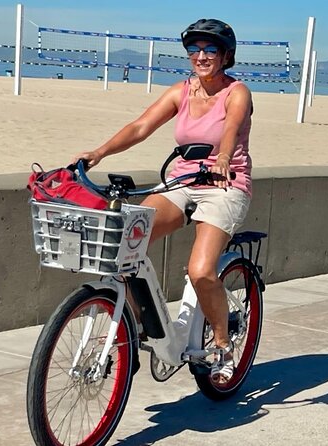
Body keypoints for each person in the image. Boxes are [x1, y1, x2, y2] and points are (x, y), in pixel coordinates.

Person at [74, 18, 253, 383]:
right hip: (182, 181)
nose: (201, 56)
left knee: (202, 271)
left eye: (210, 50)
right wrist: (100, 152)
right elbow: (140, 127)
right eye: (195, 50)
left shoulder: (237, 92)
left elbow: (231, 127)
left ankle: (221, 345)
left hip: (225, 184)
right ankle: (141, 326)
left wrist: (222, 159)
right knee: (124, 243)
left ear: (225, 56)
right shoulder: (182, 91)